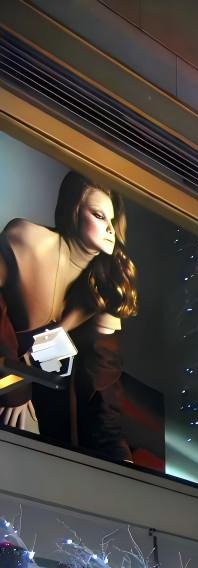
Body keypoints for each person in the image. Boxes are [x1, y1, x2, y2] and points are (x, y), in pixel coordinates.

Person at [1, 170, 137, 448]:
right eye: (98, 216)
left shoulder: (106, 282)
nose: (110, 230)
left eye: (112, 220)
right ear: (74, 212)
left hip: (39, 382)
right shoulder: (28, 240)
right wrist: (13, 387)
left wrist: (114, 445)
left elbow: (104, 371)